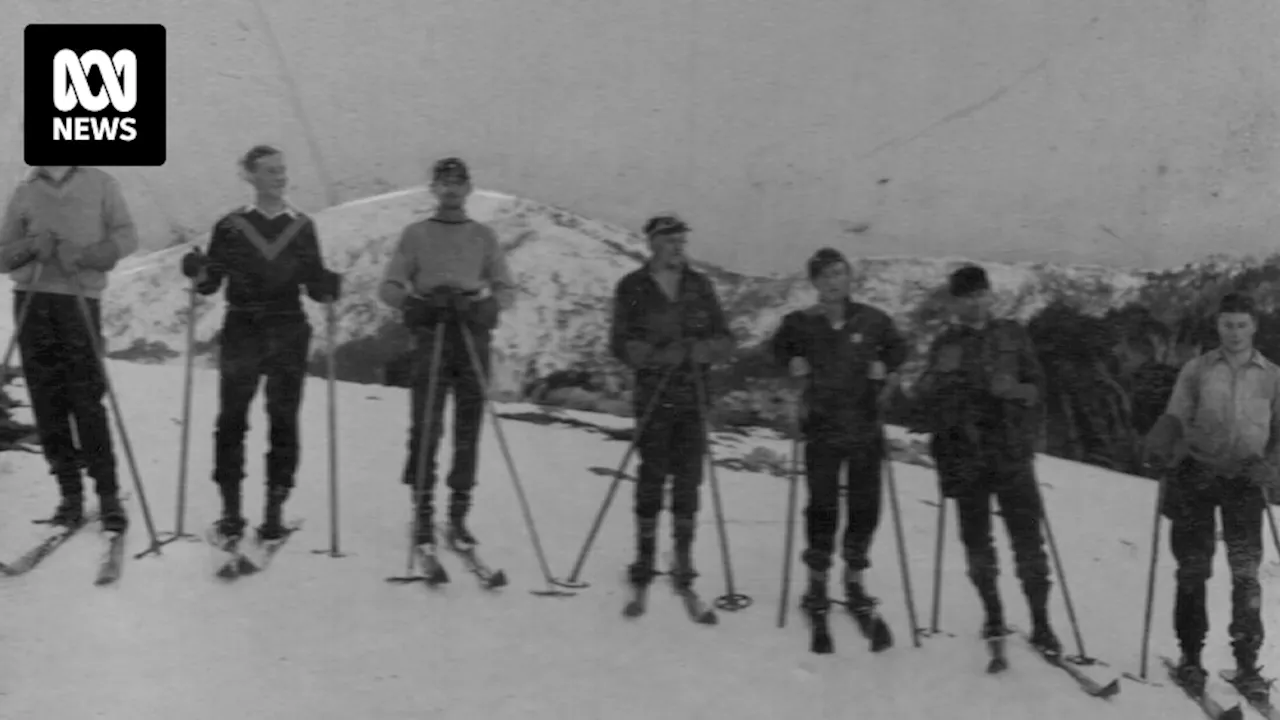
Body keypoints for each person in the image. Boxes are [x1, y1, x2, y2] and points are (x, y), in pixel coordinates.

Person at [179, 145, 342, 543]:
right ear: (249, 176)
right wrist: (199, 272)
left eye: (282, 170)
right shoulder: (230, 226)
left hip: (287, 327)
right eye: (270, 171)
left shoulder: (302, 226)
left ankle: (273, 510)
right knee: (232, 419)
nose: (280, 177)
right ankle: (231, 512)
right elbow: (211, 283)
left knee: (283, 421)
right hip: (244, 327)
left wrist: (327, 285)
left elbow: (313, 285)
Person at [909, 264, 1062, 656]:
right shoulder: (945, 343)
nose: (976, 303)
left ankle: (1041, 622)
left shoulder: (1012, 334)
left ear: (990, 296)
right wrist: (941, 376)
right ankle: (993, 614)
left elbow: (1040, 389)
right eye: (967, 297)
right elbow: (922, 398)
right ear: (955, 302)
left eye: (981, 295)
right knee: (977, 543)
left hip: (1011, 452)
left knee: (1028, 542)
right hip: (965, 455)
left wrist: (1015, 390)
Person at [1143, 292, 1280, 701]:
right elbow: (1175, 415)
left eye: (1241, 325)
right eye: (1227, 325)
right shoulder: (1197, 370)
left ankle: (1246, 663)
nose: (1234, 333)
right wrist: (1160, 443)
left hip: (1245, 481)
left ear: (1254, 327)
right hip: (1196, 476)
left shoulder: (1273, 376)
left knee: (1245, 574)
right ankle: (1190, 657)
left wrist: (1272, 466)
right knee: (1192, 569)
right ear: (1217, 326)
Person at [377, 157, 515, 551]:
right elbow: (388, 288)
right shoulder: (416, 234)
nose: (451, 190)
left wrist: (486, 307)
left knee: (468, 427)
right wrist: (415, 305)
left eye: (458, 183)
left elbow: (506, 289)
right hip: (432, 332)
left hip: (470, 333)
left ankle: (458, 514)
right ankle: (422, 511)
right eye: (444, 183)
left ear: (469, 188)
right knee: (426, 423)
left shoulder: (483, 236)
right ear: (433, 189)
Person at [769, 247, 908, 624]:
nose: (832, 283)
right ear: (814, 283)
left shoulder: (873, 320)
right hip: (823, 426)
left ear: (849, 279)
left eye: (838, 274)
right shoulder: (800, 322)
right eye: (824, 276)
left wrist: (886, 367)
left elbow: (900, 350)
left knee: (866, 506)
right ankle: (817, 579)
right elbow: (777, 349)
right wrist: (791, 363)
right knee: (822, 505)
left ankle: (854, 576)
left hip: (865, 425)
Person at [0, 166, 139, 532]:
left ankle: (108, 496)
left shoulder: (101, 183)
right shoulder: (24, 190)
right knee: (47, 401)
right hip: (31, 301)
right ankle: (70, 496)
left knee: (87, 399)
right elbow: (1, 255)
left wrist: (88, 255)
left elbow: (127, 237)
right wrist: (31, 247)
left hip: (79, 300)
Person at [608, 213, 735, 588]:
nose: (678, 246)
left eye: (681, 239)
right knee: (651, 473)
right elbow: (620, 342)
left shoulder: (700, 286)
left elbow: (726, 340)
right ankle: (645, 553)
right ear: (652, 244)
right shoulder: (632, 287)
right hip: (653, 394)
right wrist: (657, 356)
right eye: (669, 240)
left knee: (689, 476)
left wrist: (700, 350)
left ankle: (683, 553)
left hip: (693, 393)